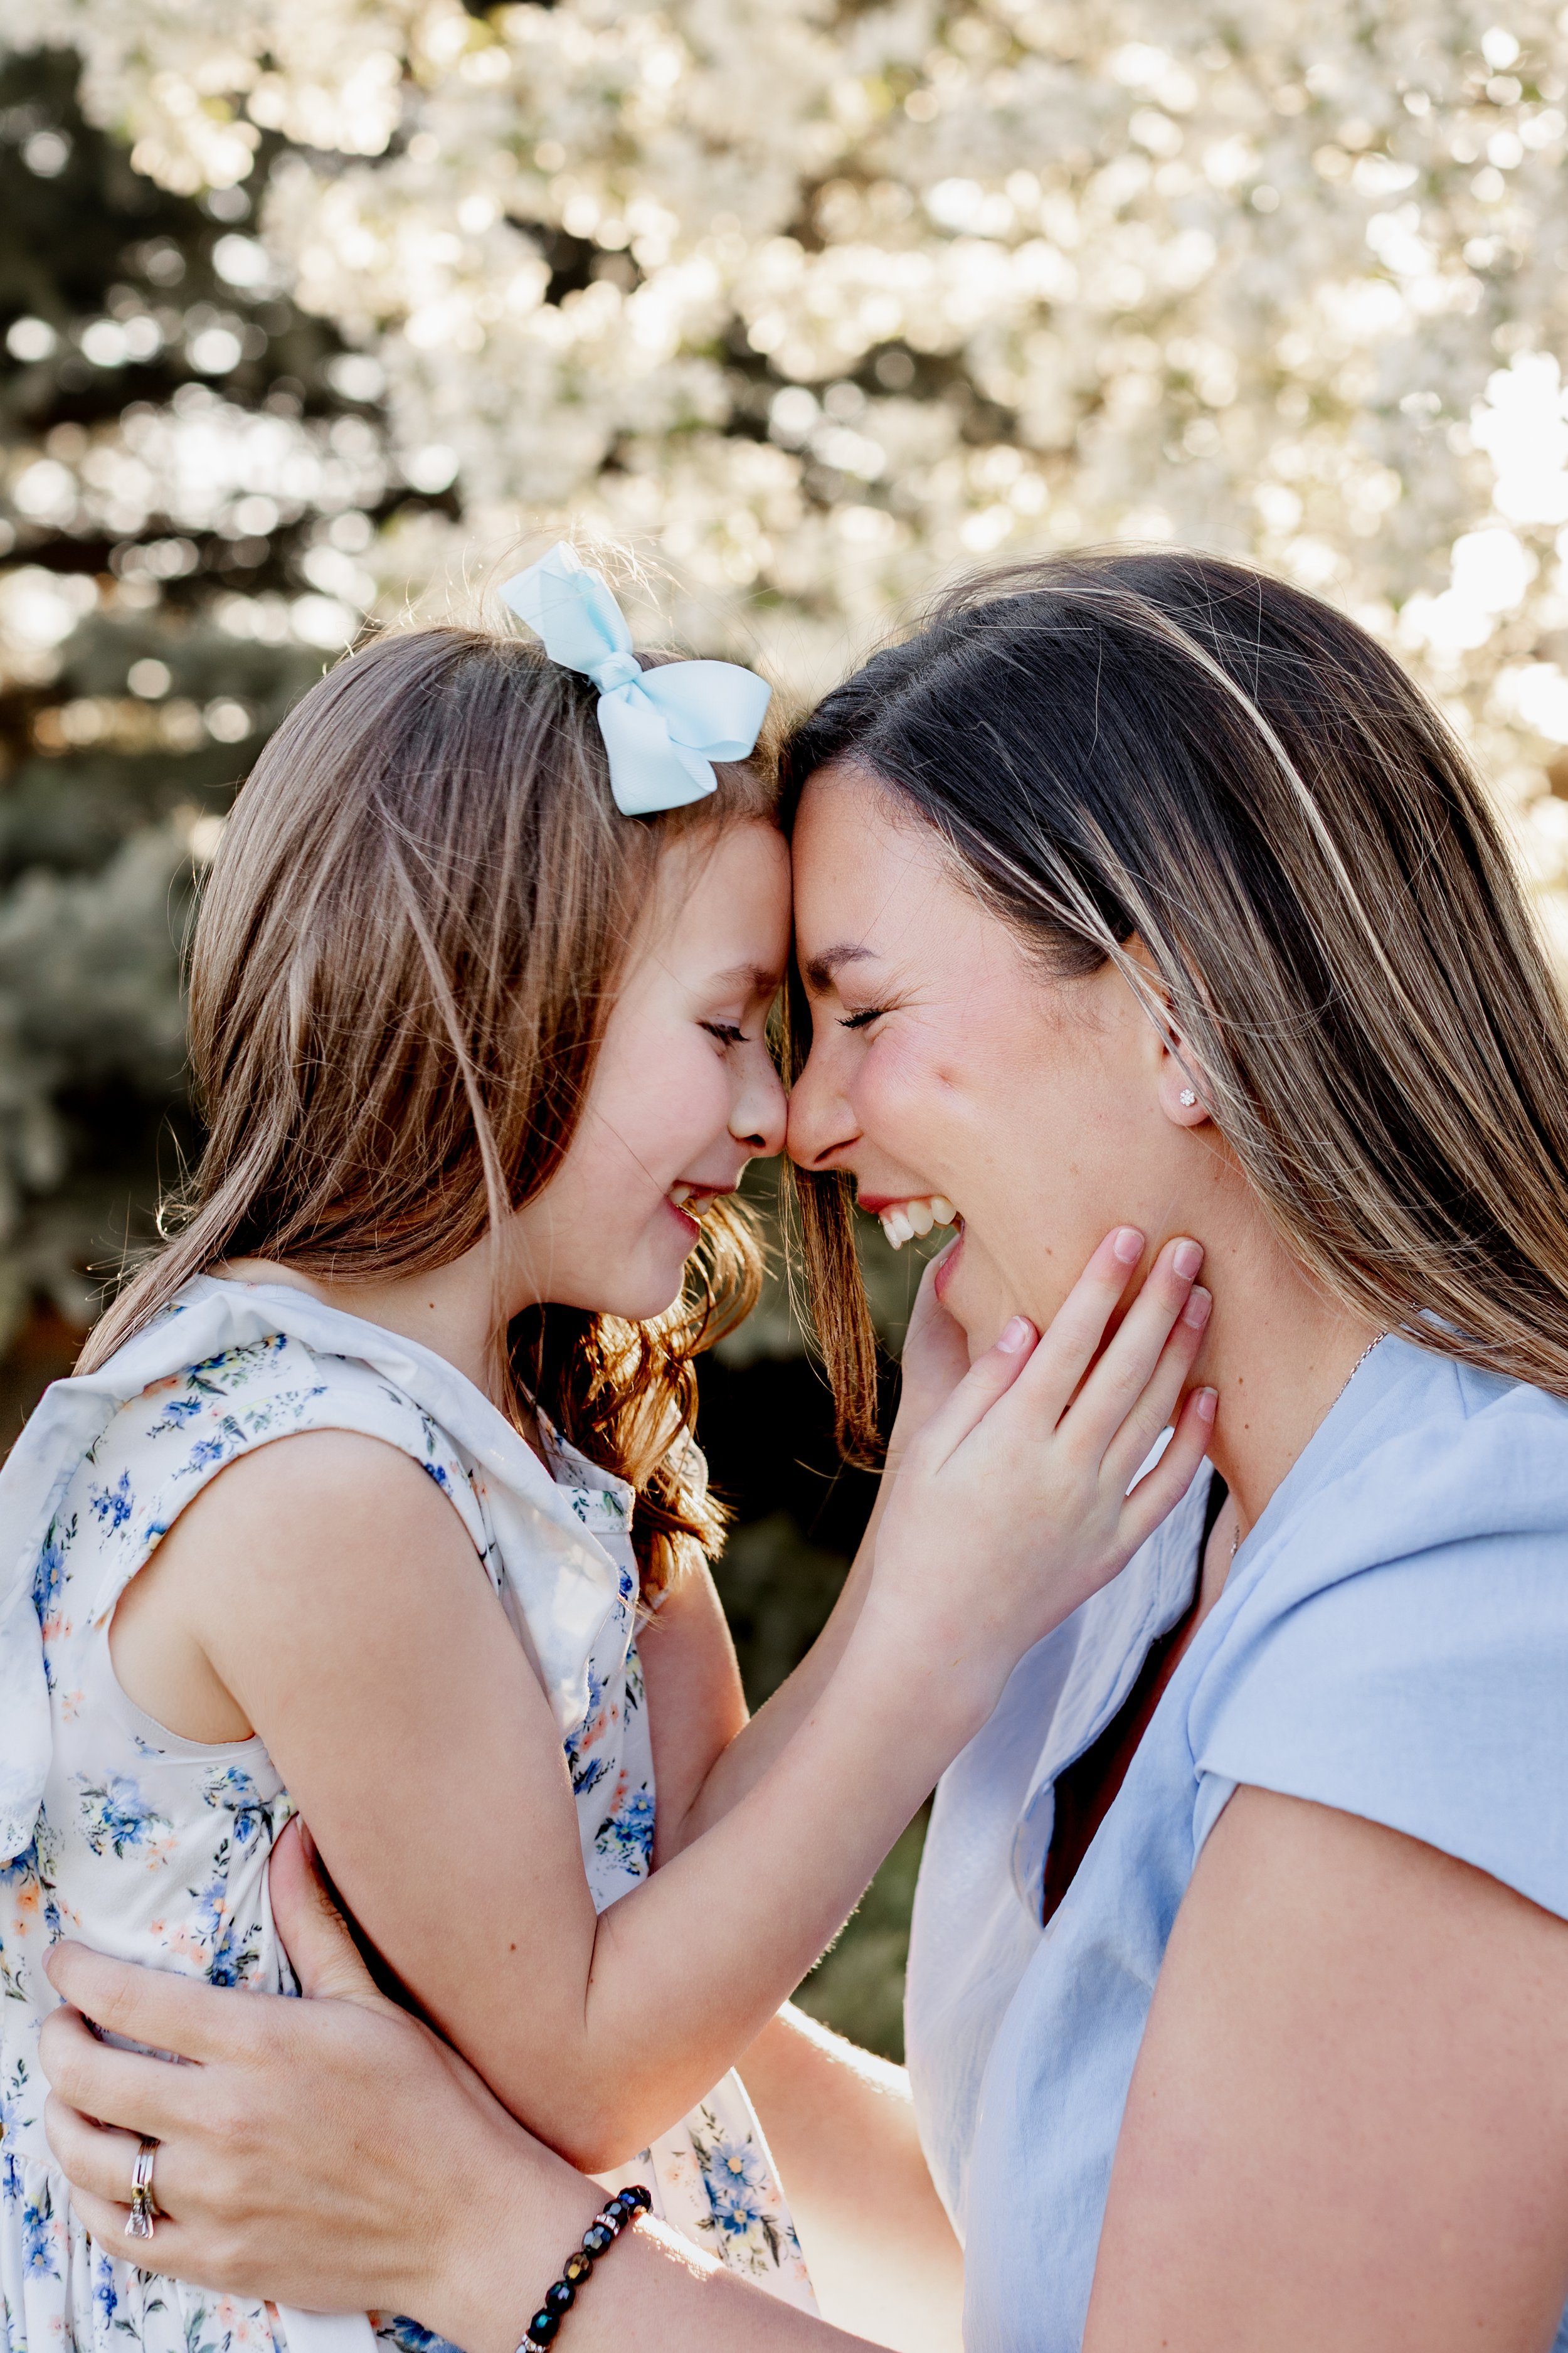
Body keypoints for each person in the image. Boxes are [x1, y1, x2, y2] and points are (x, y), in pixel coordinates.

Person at [35, 546, 1568, 2350]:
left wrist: (493, 2240)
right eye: (757, 1028)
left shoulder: (1471, 1607)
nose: (802, 1125)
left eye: (858, 1014)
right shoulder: (1147, 1549)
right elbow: (1050, 2243)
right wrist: (465, 2004)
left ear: (1183, 1016)